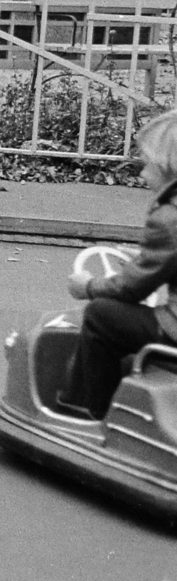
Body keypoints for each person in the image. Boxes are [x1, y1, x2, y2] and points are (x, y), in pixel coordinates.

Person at [60, 109, 177, 419]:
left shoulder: (168, 219)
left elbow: (131, 287)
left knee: (101, 316)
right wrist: (144, 256)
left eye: (146, 165)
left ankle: (88, 408)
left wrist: (87, 286)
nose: (141, 175)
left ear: (167, 168)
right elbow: (162, 261)